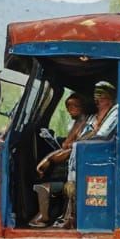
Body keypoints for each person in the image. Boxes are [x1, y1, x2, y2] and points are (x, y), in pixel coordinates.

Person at [57, 81, 120, 229]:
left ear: (110, 98)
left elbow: (100, 137)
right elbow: (78, 137)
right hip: (82, 161)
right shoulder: (92, 118)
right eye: (96, 97)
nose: (98, 100)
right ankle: (69, 217)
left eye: (102, 97)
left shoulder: (116, 112)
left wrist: (78, 141)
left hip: (100, 161)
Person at [30, 93, 91, 227]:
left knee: (43, 185)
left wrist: (50, 159)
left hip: (75, 170)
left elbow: (73, 149)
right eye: (68, 106)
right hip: (69, 165)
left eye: (74, 106)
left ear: (82, 107)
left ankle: (43, 217)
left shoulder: (85, 125)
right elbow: (67, 145)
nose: (70, 110)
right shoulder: (78, 123)